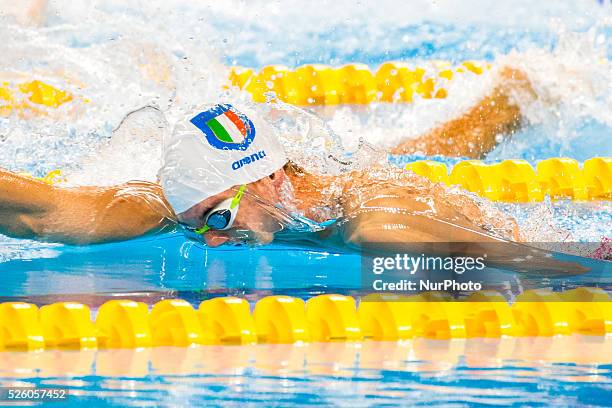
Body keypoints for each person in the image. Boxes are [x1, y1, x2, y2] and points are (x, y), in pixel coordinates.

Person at [0, 67, 534, 247]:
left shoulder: (374, 210)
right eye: (196, 223)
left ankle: (514, 98)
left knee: (426, 151)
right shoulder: (183, 204)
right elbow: (42, 211)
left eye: (218, 219)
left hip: (350, 180)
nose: (211, 239)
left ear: (270, 182)